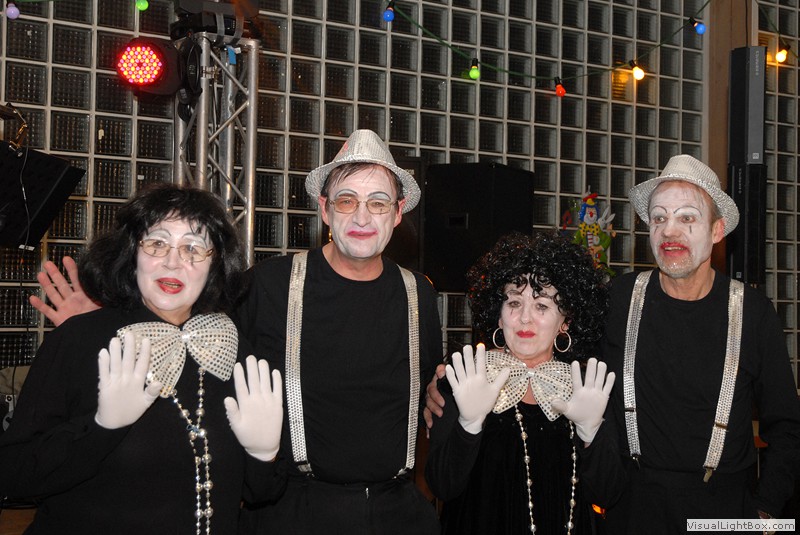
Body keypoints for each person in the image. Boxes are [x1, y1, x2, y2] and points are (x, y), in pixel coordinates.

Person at [27, 130, 443, 535]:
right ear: (324, 209)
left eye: (378, 202)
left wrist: (438, 394)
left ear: (397, 213)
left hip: (397, 511)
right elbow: (189, 325)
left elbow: (423, 386)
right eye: (347, 200)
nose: (362, 216)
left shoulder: (419, 294)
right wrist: (113, 319)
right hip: (292, 510)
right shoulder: (267, 283)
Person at [0, 184, 285, 534]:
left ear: (215, 264)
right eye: (157, 243)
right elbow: (14, 475)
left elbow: (261, 494)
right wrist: (100, 428)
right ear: (132, 252)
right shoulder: (79, 340)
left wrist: (264, 454)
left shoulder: (230, 349)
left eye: (193, 248)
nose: (173, 261)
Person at [573, 155, 800, 533]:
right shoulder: (618, 299)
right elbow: (561, 360)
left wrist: (766, 511)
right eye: (658, 218)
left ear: (717, 230)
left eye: (687, 218)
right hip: (633, 508)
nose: (669, 231)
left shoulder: (753, 312)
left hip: (724, 510)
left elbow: (787, 426)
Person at [424, 231, 613, 535]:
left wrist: (592, 434)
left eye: (542, 306)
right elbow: (442, 486)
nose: (525, 318)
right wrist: (468, 425)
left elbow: (608, 494)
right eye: (514, 302)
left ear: (565, 321)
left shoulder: (587, 387)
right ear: (499, 316)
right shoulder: (463, 378)